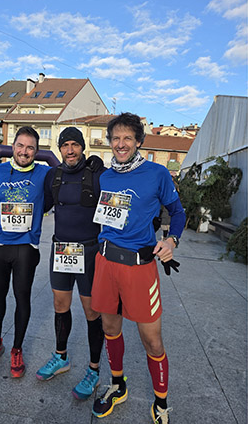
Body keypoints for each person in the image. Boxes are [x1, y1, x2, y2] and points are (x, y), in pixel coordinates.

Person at [90, 113, 186, 424]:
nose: (121, 144)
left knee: (151, 339)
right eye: (116, 139)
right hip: (105, 262)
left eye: (127, 138)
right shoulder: (106, 176)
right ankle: (118, 386)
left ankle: (161, 401)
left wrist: (171, 239)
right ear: (110, 142)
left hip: (139, 268)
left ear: (138, 142)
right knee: (110, 329)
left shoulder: (157, 173)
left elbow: (178, 212)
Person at [0, 126, 51, 378]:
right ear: (12, 146)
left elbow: (66, 184)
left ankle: (17, 348)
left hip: (26, 247)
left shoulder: (45, 174)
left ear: (37, 152)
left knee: (22, 297)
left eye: (30, 148)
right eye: (20, 145)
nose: (24, 151)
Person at [36, 127, 106, 400]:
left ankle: (94, 369)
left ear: (83, 147)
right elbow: (39, 202)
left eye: (75, 144)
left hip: (89, 251)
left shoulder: (97, 174)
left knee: (92, 312)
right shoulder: (53, 176)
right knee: (60, 305)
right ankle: (61, 356)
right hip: (61, 249)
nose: (70, 150)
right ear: (59, 149)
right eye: (65, 145)